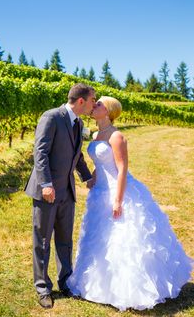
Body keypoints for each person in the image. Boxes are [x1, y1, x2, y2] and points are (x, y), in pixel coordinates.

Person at [67, 96, 193, 311]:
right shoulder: (97, 134)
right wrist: (94, 177)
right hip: (100, 192)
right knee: (101, 237)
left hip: (118, 190)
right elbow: (101, 161)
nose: (93, 106)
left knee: (125, 238)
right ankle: (100, 284)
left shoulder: (117, 136)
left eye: (98, 105)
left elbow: (122, 168)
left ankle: (130, 288)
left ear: (107, 112)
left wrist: (118, 198)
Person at [24, 83, 96, 309]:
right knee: (43, 240)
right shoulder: (52, 117)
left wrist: (86, 177)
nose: (94, 104)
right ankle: (43, 287)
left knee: (65, 240)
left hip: (67, 191)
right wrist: (46, 184)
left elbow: (77, 154)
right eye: (93, 100)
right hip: (47, 190)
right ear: (82, 101)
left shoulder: (79, 122)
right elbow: (40, 152)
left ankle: (66, 281)